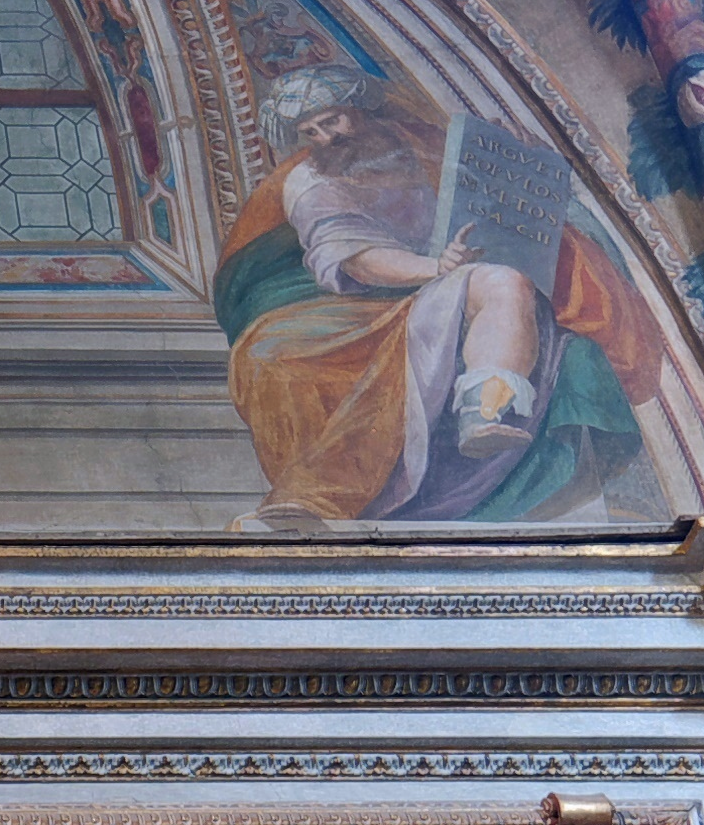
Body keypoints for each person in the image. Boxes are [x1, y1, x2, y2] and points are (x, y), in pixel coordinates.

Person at [213, 94, 656, 534]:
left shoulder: (430, 147)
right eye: (310, 132)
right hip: (381, 297)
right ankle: (316, 495)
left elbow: (512, 211)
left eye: (332, 121)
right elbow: (358, 258)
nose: (326, 138)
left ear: (359, 106)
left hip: (453, 282)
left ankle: (487, 411)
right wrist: (435, 267)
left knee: (507, 281)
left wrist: (537, 176)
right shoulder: (310, 183)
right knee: (498, 282)